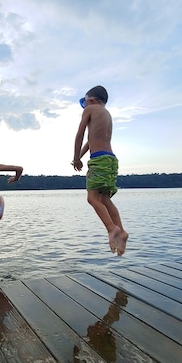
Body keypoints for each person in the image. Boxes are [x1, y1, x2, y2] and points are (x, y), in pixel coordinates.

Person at [72, 85, 128, 255]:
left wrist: (75, 157)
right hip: (110, 160)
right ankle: (122, 231)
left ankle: (112, 229)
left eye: (84, 102)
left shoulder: (90, 109)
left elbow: (80, 135)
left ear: (91, 100)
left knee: (92, 198)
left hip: (99, 160)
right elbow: (91, 140)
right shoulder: (106, 115)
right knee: (104, 198)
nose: (84, 106)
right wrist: (80, 156)